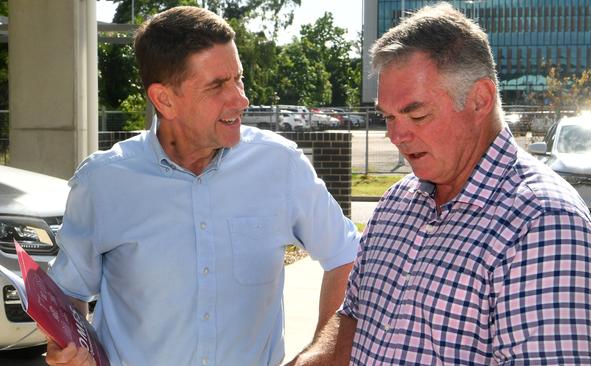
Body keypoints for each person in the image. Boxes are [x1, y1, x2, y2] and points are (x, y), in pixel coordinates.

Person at [291, 3, 591, 365]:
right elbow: (355, 317)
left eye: (416, 114)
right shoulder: (397, 203)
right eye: (388, 117)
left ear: (480, 100)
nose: (396, 135)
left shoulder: (545, 225)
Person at [45, 6, 359, 366]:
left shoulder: (279, 165)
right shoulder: (102, 182)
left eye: (238, 78)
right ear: (164, 99)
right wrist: (68, 345)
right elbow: (68, 293)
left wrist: (321, 355)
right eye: (217, 86)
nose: (241, 99)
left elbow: (347, 257)